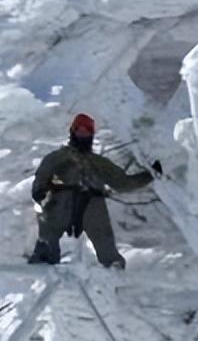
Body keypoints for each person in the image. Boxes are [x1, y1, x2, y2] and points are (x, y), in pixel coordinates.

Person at [27, 114, 158, 268]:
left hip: (92, 203)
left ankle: (113, 268)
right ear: (72, 132)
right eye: (80, 131)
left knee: (104, 237)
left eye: (87, 132)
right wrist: (40, 192)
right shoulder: (57, 158)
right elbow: (41, 177)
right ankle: (44, 258)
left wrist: (150, 175)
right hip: (61, 201)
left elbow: (123, 183)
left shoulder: (99, 163)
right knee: (49, 226)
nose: (83, 135)